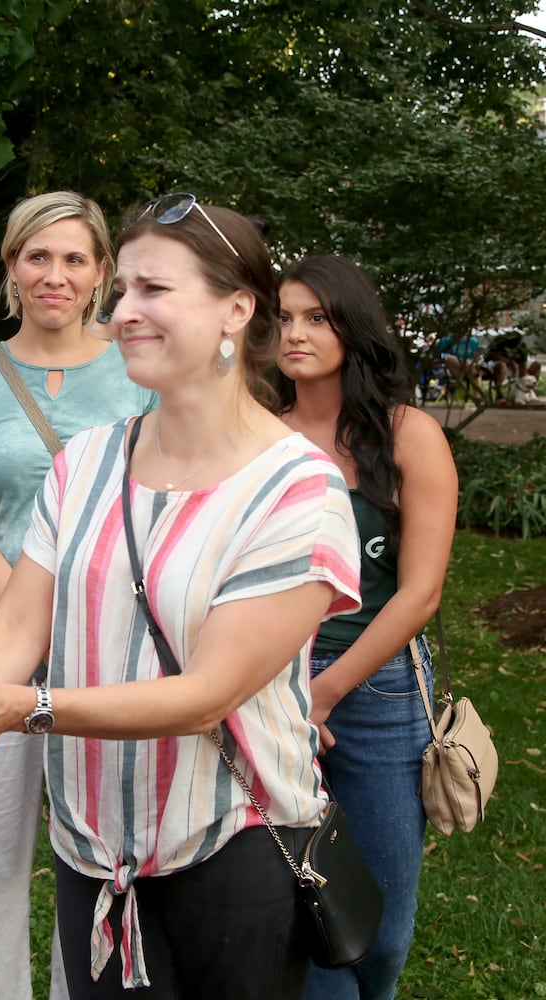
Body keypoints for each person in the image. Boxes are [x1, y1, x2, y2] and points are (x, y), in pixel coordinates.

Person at [0, 193, 362, 999]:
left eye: (153, 291)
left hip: (231, 849)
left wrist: (20, 707)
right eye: (126, 293)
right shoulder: (85, 462)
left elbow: (205, 695)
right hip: (91, 854)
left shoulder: (297, 489)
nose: (122, 313)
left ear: (235, 310)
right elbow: (16, 624)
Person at [0, 190, 156, 1000]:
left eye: (74, 259)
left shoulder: (142, 375)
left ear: (99, 275)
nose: (55, 274)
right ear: (12, 267)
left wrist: (79, 632)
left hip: (108, 660)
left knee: (95, 858)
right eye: (38, 257)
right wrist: (41, 622)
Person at [275, 255, 458, 1000]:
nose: (295, 332)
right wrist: (284, 689)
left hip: (378, 694)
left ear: (352, 325)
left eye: (315, 317)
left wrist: (323, 692)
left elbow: (420, 593)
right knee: (297, 913)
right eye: (282, 317)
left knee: (380, 931)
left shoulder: (407, 434)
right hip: (266, 680)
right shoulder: (259, 436)